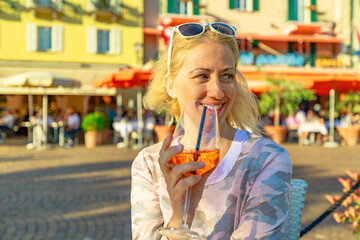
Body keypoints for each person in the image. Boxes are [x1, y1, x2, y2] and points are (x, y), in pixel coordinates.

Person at [131, 22, 292, 239]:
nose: (217, 91)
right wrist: (180, 216)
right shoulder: (149, 164)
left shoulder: (265, 159)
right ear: (170, 85)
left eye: (227, 76)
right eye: (202, 76)